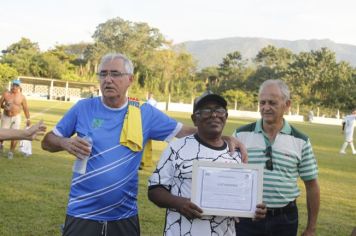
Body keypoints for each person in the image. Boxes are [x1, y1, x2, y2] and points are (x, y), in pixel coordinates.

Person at [41, 53, 246, 236]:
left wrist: (223, 137)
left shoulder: (143, 112)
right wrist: (64, 142)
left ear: (129, 79)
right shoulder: (82, 108)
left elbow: (185, 131)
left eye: (115, 74)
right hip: (81, 211)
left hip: (124, 215)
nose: (108, 79)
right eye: (103, 74)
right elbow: (47, 141)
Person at [148, 91, 266, 236]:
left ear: (226, 117)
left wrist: (254, 209)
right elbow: (154, 190)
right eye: (206, 110)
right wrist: (179, 203)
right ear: (194, 119)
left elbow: (241, 198)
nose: (214, 115)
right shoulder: (177, 148)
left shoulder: (236, 154)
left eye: (219, 110)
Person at [233, 79, 320, 236]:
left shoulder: (301, 140)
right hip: (247, 219)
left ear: (287, 105)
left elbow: (312, 185)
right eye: (262, 102)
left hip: (285, 220)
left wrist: (311, 228)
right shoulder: (240, 135)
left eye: (272, 103)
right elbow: (228, 176)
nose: (266, 107)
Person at [0, 79, 31, 159]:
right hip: (6, 116)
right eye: (13, 85)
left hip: (16, 117)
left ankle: (11, 152)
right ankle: (1, 146)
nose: (14, 87)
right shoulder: (6, 94)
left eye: (16, 85)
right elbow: (0, 104)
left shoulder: (22, 97)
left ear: (19, 87)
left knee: (15, 135)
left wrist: (28, 119)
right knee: (2, 134)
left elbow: (25, 108)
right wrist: (2, 110)